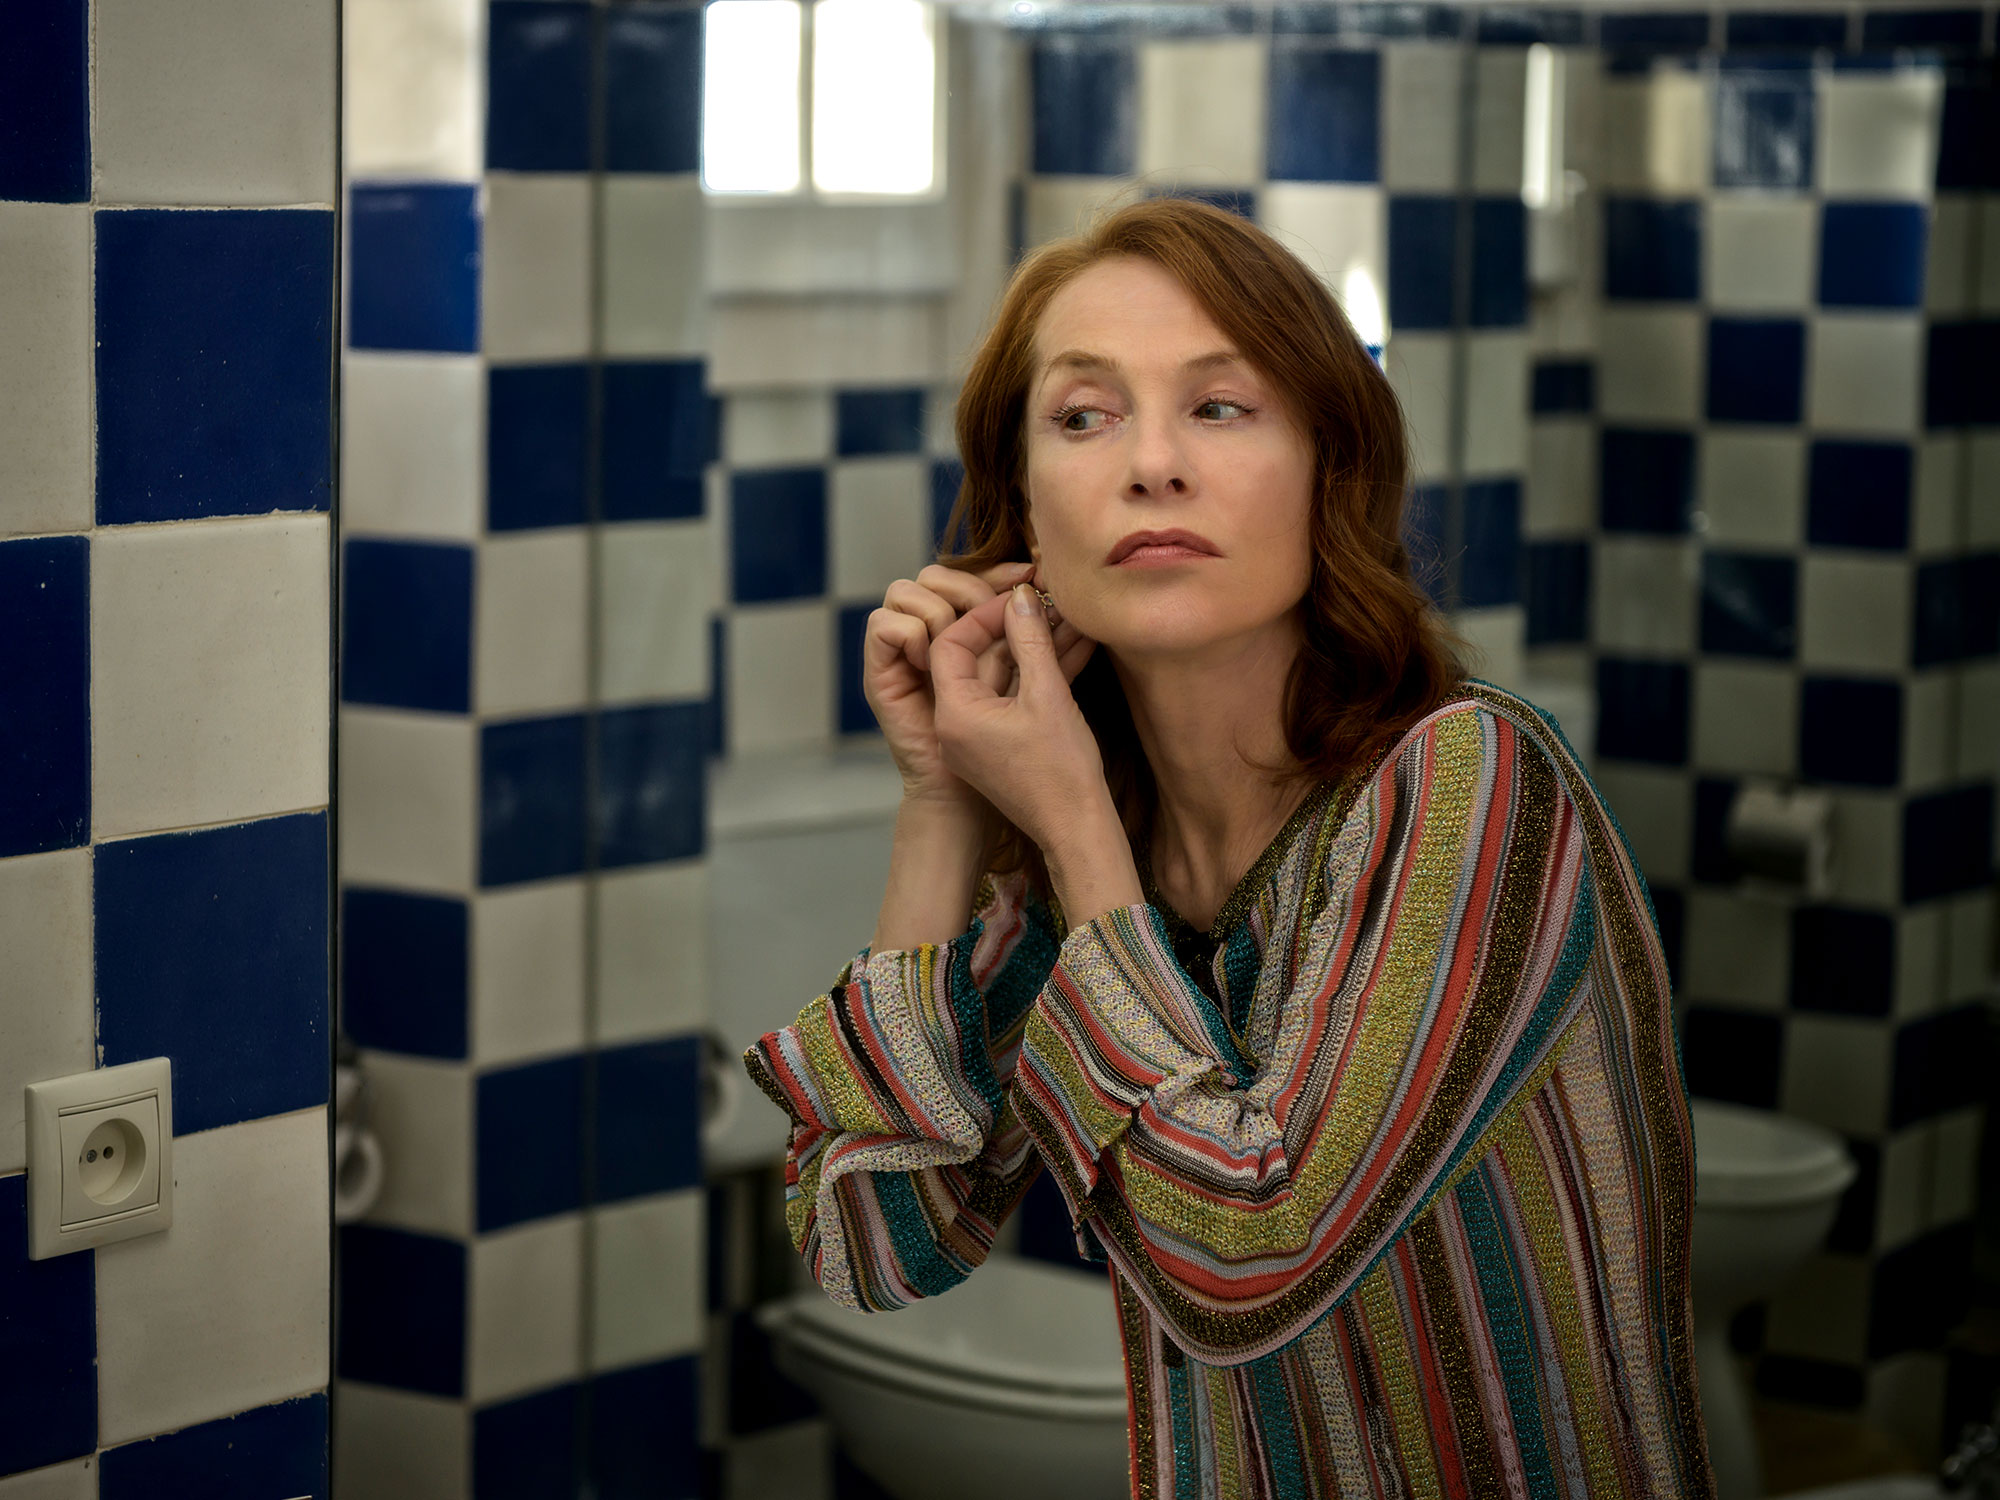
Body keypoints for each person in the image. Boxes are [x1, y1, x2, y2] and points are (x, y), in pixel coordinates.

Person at [743, 196, 1714, 1499]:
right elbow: (872, 1249)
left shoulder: (1471, 786)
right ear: (1025, 508)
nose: (1152, 465)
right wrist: (942, 801)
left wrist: (1072, 825)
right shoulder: (1095, 848)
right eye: (1084, 417)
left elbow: (1247, 1261)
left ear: (1329, 470)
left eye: (1218, 407)